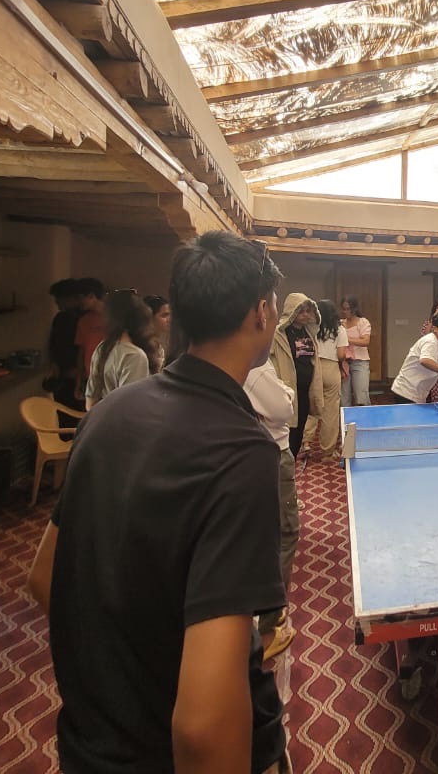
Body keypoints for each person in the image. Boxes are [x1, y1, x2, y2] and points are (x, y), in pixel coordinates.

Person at [27, 231, 287, 774]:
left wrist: (129, 674)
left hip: (89, 746)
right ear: (261, 313)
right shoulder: (242, 452)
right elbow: (202, 726)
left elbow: (45, 577)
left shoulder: (108, 414)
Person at [243, 358, 299, 662]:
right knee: (286, 533)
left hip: (250, 453)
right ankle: (270, 622)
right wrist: (285, 391)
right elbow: (284, 408)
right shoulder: (256, 365)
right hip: (272, 453)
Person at [85, 289, 156, 409]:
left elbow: (90, 405)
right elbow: (130, 408)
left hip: (102, 419)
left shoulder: (102, 348)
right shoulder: (134, 355)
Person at [271, 294, 322, 459]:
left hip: (306, 390)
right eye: (301, 311)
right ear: (292, 311)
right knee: (287, 433)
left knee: (299, 431)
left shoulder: (308, 332)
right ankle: (284, 467)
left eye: (308, 311)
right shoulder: (279, 334)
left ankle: (291, 465)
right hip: (288, 391)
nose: (305, 315)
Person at [390, 311, 438, 403]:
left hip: (411, 393)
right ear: (435, 328)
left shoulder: (434, 341)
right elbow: (425, 361)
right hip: (407, 394)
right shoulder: (431, 341)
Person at [311, 299, 348, 456]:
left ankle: (305, 442)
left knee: (311, 405)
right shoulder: (339, 329)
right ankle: (327, 450)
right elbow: (341, 355)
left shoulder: (311, 328)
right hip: (331, 368)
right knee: (330, 411)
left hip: (313, 366)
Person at [45, 278, 83, 414]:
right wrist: (54, 363)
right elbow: (54, 343)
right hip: (62, 374)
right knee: (64, 412)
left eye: (59, 299)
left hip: (79, 374)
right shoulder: (60, 318)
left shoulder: (85, 319)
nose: (57, 303)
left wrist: (79, 370)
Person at [73, 277, 106, 397]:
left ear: (91, 296)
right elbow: (81, 351)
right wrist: (78, 381)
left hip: (112, 376)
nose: (78, 302)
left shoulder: (115, 318)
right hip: (90, 377)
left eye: (80, 298)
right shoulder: (83, 321)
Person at [340, 295, 371, 406]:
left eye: (348, 309)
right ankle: (346, 417)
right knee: (344, 399)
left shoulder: (363, 322)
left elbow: (365, 341)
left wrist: (346, 339)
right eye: (344, 309)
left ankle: (365, 417)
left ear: (354, 308)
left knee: (361, 397)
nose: (345, 312)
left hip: (360, 362)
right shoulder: (340, 323)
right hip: (344, 363)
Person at [144, 294, 171, 371]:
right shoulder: (141, 347)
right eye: (164, 315)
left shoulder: (159, 348)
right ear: (150, 317)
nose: (169, 319)